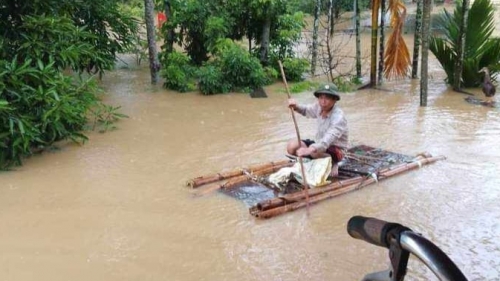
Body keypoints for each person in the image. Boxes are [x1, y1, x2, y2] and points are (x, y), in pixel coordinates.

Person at [287, 83, 349, 177]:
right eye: (320, 98)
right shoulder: (318, 107)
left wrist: (309, 150)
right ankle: (313, 159)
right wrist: (295, 106)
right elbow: (305, 110)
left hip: (335, 149)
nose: (323, 102)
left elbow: (327, 140)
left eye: (327, 98)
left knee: (313, 152)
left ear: (334, 100)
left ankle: (333, 162)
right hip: (319, 144)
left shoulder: (338, 117)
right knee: (292, 146)